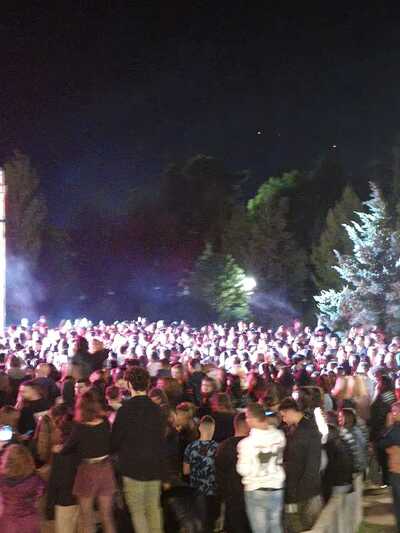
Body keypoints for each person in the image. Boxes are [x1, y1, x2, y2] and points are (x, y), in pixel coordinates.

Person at [112, 366, 166, 533]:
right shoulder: (157, 410)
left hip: (132, 467)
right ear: (148, 383)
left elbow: (115, 441)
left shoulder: (124, 410)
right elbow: (161, 440)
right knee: (153, 508)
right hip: (154, 466)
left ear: (129, 384)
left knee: (138, 511)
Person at [56, 390, 117, 533]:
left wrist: (58, 448)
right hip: (106, 469)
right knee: (107, 516)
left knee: (87, 517)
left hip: (87, 471)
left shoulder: (80, 427)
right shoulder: (105, 423)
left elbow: (67, 448)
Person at [237, 403, 286, 533]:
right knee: (275, 526)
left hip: (256, 489)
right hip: (276, 487)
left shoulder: (246, 444)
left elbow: (243, 469)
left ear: (251, 419)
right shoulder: (280, 436)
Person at [279, 397, 322, 533]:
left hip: (304, 491)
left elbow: (312, 465)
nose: (283, 419)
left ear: (290, 411)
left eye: (284, 415)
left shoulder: (308, 430)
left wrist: (300, 491)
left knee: (306, 526)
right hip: (300, 488)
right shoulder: (298, 428)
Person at [215, 411, 251, 533]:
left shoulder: (223, 446)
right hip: (251, 496)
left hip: (231, 499)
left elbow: (219, 474)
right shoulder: (253, 445)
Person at [183, 415, 219, 533]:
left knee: (199, 524)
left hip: (196, 490)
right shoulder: (218, 447)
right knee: (210, 524)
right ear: (213, 429)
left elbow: (186, 471)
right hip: (213, 492)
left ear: (199, 428)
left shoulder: (190, 447)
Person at [0, 444, 45, 533]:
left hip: (9, 523)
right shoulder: (36, 480)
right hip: (29, 522)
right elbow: (40, 494)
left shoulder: (2, 480)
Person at [379, 401, 400, 531]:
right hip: (395, 469)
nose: (393, 414)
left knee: (398, 502)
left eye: (396, 411)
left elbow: (382, 443)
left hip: (397, 471)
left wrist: (389, 426)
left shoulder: (394, 430)